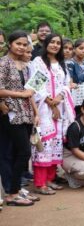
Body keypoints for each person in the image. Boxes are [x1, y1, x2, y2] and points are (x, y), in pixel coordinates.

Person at [30, 34, 75, 195]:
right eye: (52, 42)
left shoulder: (62, 63)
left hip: (60, 108)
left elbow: (66, 85)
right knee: (44, 145)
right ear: (46, 43)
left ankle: (50, 179)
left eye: (58, 43)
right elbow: (36, 86)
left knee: (56, 143)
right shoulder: (38, 62)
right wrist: (51, 103)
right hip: (43, 109)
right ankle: (40, 183)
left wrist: (59, 98)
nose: (55, 45)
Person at [0, 31, 39, 206]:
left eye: (24, 44)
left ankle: (15, 189)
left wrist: (36, 112)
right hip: (10, 112)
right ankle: (12, 193)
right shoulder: (3, 63)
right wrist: (21, 94)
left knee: (19, 152)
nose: (21, 47)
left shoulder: (25, 64)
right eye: (18, 44)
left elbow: (31, 90)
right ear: (10, 44)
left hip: (26, 113)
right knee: (22, 152)